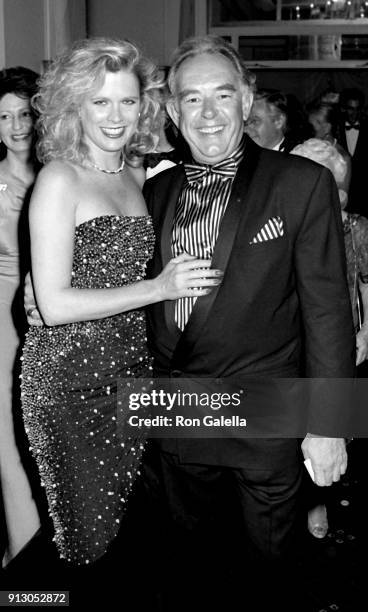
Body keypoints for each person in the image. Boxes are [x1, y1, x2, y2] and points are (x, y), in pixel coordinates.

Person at [141, 35, 355, 608]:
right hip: (176, 413)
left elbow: (328, 310)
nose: (208, 113)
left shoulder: (300, 183)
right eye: (191, 99)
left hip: (267, 415)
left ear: (246, 100)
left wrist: (330, 425)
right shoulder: (154, 191)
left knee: (269, 581)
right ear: (171, 110)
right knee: (192, 575)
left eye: (222, 95)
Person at [20, 37, 222, 566]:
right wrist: (159, 288)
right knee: (81, 542)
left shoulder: (137, 174)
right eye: (100, 101)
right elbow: (56, 305)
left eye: (128, 101)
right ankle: (25, 600)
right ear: (74, 106)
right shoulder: (59, 179)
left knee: (130, 538)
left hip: (134, 377)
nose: (115, 116)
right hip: (68, 386)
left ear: (145, 106)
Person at [291, 138, 368, 539]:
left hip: (340, 341)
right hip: (293, 342)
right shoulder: (285, 225)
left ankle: (322, 496)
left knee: (334, 426)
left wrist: (366, 331)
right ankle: (304, 498)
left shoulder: (355, 229)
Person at [0, 66, 41, 566]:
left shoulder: (61, 169)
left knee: (43, 436)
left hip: (56, 315)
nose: (15, 126)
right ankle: (25, 559)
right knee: (9, 439)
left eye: (24, 113)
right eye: (4, 116)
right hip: (2, 319)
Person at [307, 100, 351, 196]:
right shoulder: (305, 148)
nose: (309, 129)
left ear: (327, 127)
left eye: (312, 126)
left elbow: (342, 199)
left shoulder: (343, 157)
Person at [338, 88, 368, 216]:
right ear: (344, 108)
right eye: (350, 108)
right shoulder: (335, 129)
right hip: (343, 192)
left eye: (357, 109)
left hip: (365, 194)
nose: (354, 113)